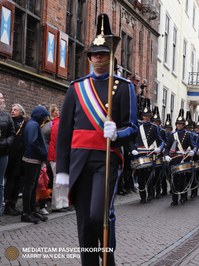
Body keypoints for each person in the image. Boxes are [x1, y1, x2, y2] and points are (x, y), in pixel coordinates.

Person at [56, 14, 138, 265]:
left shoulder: (124, 87)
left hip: (106, 158)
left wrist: (117, 134)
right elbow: (64, 133)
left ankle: (107, 255)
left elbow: (132, 128)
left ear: (111, 56)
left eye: (104, 54)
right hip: (79, 160)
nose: (99, 58)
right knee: (83, 222)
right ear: (89, 57)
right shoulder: (76, 88)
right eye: (95, 54)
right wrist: (61, 169)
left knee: (97, 215)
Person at [21, 105, 50, 224]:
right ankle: (26, 213)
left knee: (32, 187)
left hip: (33, 159)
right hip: (31, 159)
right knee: (29, 187)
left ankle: (31, 210)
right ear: (40, 116)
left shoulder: (33, 124)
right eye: (44, 117)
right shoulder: (33, 125)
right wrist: (43, 152)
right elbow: (32, 142)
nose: (44, 120)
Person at [164, 109, 195, 206]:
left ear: (184, 125)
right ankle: (174, 199)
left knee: (182, 180)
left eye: (181, 124)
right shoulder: (172, 135)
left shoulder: (187, 135)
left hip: (183, 159)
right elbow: (167, 147)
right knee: (173, 180)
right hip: (174, 159)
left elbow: (193, 146)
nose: (179, 126)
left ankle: (183, 197)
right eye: (178, 124)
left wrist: (192, 151)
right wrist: (166, 155)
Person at [4, 104, 27, 215]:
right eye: (12, 110)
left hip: (21, 156)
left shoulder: (25, 122)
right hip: (11, 156)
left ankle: (13, 203)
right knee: (11, 179)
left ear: (21, 112)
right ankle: (8, 204)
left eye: (15, 110)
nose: (12, 111)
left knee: (19, 180)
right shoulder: (9, 122)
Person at [0, 93, 15, 216]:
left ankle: (0, 209)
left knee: (0, 183)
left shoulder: (7, 116)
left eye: (2, 98)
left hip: (3, 154)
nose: (1, 100)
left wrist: (5, 143)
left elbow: (12, 134)